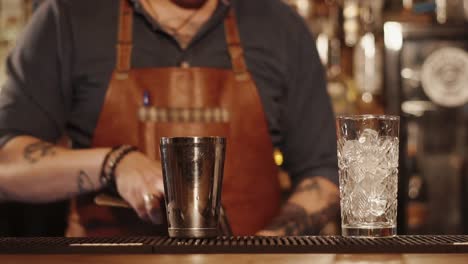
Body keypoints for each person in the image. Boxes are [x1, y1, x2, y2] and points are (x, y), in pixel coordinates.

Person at [0, 0, 339, 237]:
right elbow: (6, 167)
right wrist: (114, 163)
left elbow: (324, 173)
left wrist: (267, 244)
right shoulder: (68, 17)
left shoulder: (279, 26)